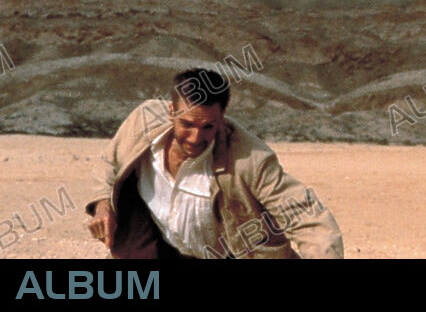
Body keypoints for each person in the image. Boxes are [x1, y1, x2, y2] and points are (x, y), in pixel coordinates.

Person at [85, 67, 343, 259]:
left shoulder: (251, 159)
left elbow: (304, 214)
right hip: (164, 250)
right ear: (170, 112)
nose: (196, 138)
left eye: (209, 126)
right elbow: (110, 162)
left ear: (222, 118)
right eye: (186, 124)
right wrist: (103, 205)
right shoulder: (144, 121)